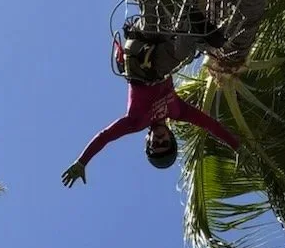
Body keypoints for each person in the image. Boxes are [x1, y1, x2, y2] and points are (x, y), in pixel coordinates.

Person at [61, 22, 239, 186]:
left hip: (141, 60)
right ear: (171, 138)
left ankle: (191, 23)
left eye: (156, 145)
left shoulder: (135, 122)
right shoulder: (177, 111)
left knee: (182, 50)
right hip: (160, 46)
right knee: (197, 37)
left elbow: (105, 137)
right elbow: (210, 125)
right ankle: (192, 17)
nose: (160, 141)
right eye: (165, 144)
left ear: (149, 142)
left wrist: (82, 161)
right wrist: (236, 146)